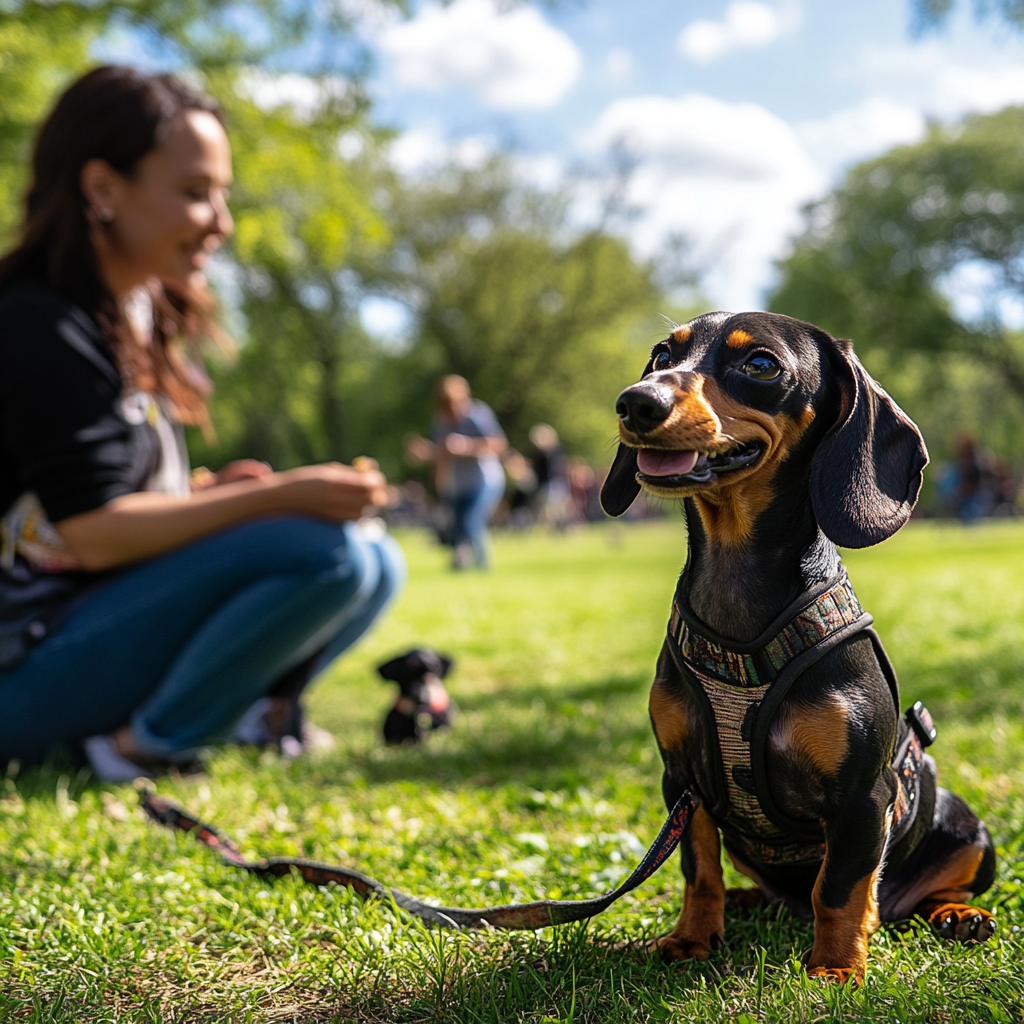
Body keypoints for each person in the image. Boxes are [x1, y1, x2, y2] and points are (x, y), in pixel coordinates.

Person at [0, 66, 405, 780]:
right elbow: (93, 534)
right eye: (195, 193)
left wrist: (216, 492)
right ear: (102, 189)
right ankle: (139, 746)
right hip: (21, 666)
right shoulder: (38, 320)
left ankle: (242, 716)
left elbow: (84, 502)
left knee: (376, 560)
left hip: (76, 626)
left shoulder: (136, 312)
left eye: (222, 194)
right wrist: (277, 497)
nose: (221, 221)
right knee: (324, 553)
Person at [406, 376, 506, 569]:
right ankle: (462, 563)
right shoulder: (440, 420)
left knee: (471, 522)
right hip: (455, 483)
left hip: (483, 480)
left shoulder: (477, 414)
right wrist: (425, 453)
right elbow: (439, 451)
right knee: (458, 527)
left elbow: (498, 444)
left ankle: (483, 564)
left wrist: (466, 447)